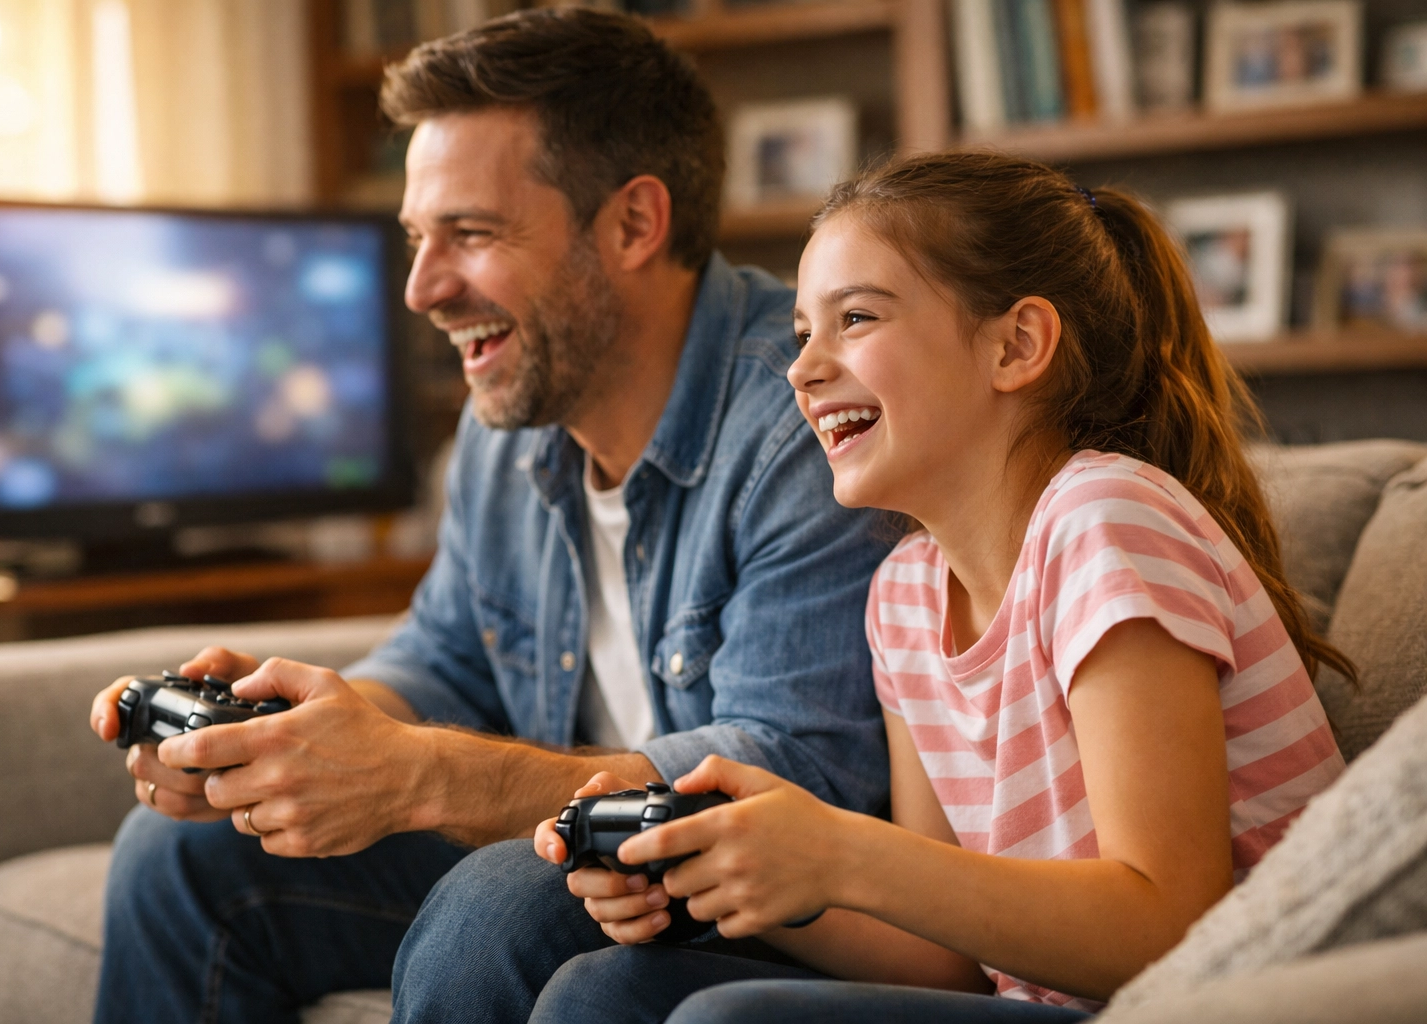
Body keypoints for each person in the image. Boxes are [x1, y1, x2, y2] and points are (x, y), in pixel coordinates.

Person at [84, 10, 894, 1024]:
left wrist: (424, 776)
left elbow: (793, 771)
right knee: (182, 854)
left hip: (777, 900)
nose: (423, 289)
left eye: (470, 234)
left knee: (498, 902)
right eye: (419, 238)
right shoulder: (505, 423)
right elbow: (445, 661)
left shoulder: (805, 420)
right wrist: (293, 739)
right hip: (578, 856)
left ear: (636, 224)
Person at [524, 151, 1354, 1024]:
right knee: (605, 990)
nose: (802, 370)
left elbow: (1170, 926)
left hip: (1220, 1001)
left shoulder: (1108, 518)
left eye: (855, 318)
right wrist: (734, 867)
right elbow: (945, 963)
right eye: (804, 332)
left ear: (1015, 345)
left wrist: (843, 852)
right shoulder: (904, 599)